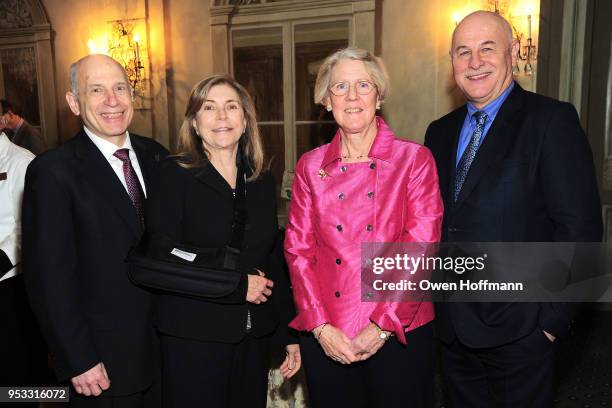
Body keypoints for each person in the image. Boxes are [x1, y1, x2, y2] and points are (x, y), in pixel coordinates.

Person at [424, 11, 602, 407]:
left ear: (513, 51)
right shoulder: (438, 132)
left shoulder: (551, 120)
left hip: (522, 331)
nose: (474, 62)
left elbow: (580, 228)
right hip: (453, 332)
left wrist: (551, 323)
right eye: (462, 52)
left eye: (487, 49)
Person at [284, 46, 443, 408]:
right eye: (340, 87)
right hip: (329, 332)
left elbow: (419, 249)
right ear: (326, 100)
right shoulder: (310, 166)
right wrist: (321, 328)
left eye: (363, 85)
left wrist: (382, 326)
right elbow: (298, 251)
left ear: (379, 95)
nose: (352, 96)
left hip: (399, 329)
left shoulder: (413, 159)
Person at [146, 74, 300, 408]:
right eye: (209, 108)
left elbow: (272, 257)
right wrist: (234, 284)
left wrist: (288, 332)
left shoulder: (261, 181)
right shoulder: (174, 175)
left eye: (231, 107)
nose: (221, 117)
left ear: (245, 120)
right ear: (195, 123)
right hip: (192, 333)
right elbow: (164, 257)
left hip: (251, 335)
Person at [22, 54, 168, 407]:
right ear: (74, 103)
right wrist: (77, 358)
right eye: (96, 90)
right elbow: (48, 279)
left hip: (167, 350)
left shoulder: (158, 157)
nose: (112, 101)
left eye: (120, 88)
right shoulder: (53, 172)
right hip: (102, 364)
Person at [0, 131, 47, 399]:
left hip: (12, 285)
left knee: (18, 377)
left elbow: (31, 226)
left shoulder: (22, 162)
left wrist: (3, 256)